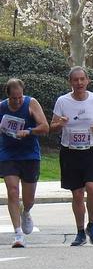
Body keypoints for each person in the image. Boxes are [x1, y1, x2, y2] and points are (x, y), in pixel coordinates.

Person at [51, 67, 93, 247]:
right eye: (75, 80)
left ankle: (91, 225)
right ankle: (79, 233)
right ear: (70, 83)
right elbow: (51, 126)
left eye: (82, 79)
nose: (79, 83)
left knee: (92, 188)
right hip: (70, 151)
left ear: (87, 81)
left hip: (91, 150)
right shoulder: (62, 101)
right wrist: (60, 124)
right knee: (77, 194)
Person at [1, 78, 49, 248]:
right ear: (8, 96)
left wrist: (28, 131)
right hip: (8, 154)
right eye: (14, 98)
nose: (18, 101)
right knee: (12, 191)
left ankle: (26, 211)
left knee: (28, 200)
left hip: (29, 155)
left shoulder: (31, 103)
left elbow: (45, 127)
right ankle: (18, 234)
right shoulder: (1, 107)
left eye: (20, 97)